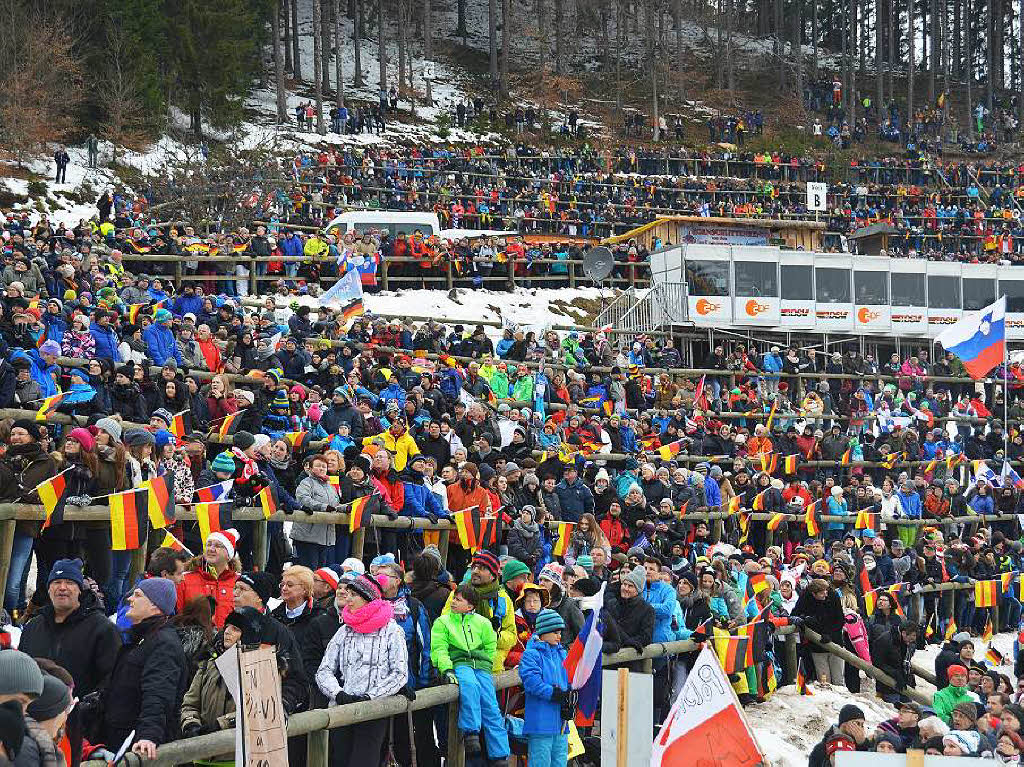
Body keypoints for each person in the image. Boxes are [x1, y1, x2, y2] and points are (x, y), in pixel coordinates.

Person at [19, 559, 121, 767]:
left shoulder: (102, 629)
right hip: (33, 722)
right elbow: (23, 669)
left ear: (79, 589)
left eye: (69, 582)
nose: (62, 588)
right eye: (56, 582)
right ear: (48, 589)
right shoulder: (34, 626)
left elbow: (112, 678)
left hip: (82, 726)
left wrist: (88, 708)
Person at [316, 574, 408, 766]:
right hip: (343, 709)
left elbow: (399, 673)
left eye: (352, 595)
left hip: (374, 710)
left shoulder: (392, 630)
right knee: (339, 760)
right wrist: (338, 693)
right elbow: (324, 670)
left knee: (364, 761)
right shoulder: (344, 630)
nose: (346, 598)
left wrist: (371, 696)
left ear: (367, 598)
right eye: (347, 593)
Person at [100, 578, 187, 760]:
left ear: (155, 606)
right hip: (118, 736)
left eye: (137, 595)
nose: (130, 599)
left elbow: (159, 692)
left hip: (137, 743)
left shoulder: (163, 644)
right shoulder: (141, 638)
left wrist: (149, 735)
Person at [431, 584, 511, 766]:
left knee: (490, 704)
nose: (453, 602)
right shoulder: (443, 622)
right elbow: (439, 648)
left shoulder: (482, 622)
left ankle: (500, 754)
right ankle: (471, 731)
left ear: (470, 606)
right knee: (469, 686)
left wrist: (487, 661)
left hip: (480, 665)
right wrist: (446, 668)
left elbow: (491, 644)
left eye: (459, 599)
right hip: (460, 662)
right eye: (454, 598)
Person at [519, 608, 572, 767]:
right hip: (540, 723)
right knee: (540, 761)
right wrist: (553, 693)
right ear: (543, 631)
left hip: (561, 722)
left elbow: (569, 679)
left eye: (560, 632)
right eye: (555, 632)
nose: (559, 636)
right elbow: (531, 681)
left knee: (560, 761)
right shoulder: (531, 654)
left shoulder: (562, 653)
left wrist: (569, 700)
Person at [175, 528, 240, 627]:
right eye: (208, 544)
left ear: (229, 555)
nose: (211, 549)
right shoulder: (185, 579)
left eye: (218, 546)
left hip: (230, 640)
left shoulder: (240, 581)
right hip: (194, 639)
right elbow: (177, 616)